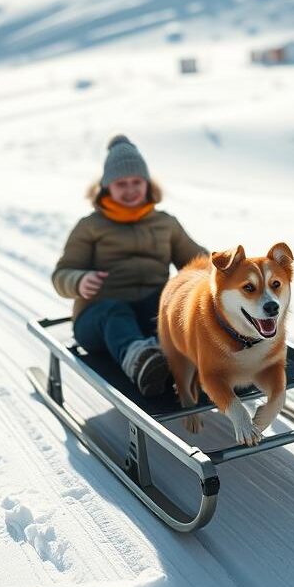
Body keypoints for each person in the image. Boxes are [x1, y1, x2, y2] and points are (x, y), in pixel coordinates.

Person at [52, 135, 208, 397]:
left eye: (136, 182)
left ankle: (181, 356)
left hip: (150, 313)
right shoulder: (90, 226)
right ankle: (143, 361)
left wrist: (224, 271)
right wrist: (78, 281)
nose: (130, 189)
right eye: (121, 183)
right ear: (106, 187)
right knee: (115, 311)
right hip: (99, 318)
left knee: (171, 302)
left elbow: (198, 262)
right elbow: (61, 274)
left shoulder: (165, 224)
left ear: (147, 184)